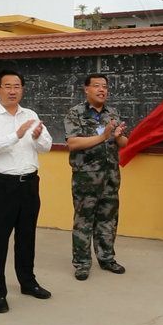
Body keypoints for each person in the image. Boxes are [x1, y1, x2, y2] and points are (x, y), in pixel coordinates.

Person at [0, 69, 53, 313]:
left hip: (29, 184)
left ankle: (28, 283)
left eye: (17, 86)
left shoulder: (30, 115)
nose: (12, 91)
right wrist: (16, 135)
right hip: (1, 186)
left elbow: (46, 147)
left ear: (23, 89)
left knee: (27, 237)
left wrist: (38, 137)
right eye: (7, 86)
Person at [64, 74, 128, 281]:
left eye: (105, 87)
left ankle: (107, 258)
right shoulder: (76, 113)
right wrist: (103, 136)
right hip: (86, 177)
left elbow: (124, 143)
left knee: (108, 219)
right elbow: (73, 143)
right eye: (97, 86)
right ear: (86, 89)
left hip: (110, 176)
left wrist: (118, 136)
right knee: (84, 220)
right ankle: (82, 263)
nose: (102, 90)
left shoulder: (112, 113)